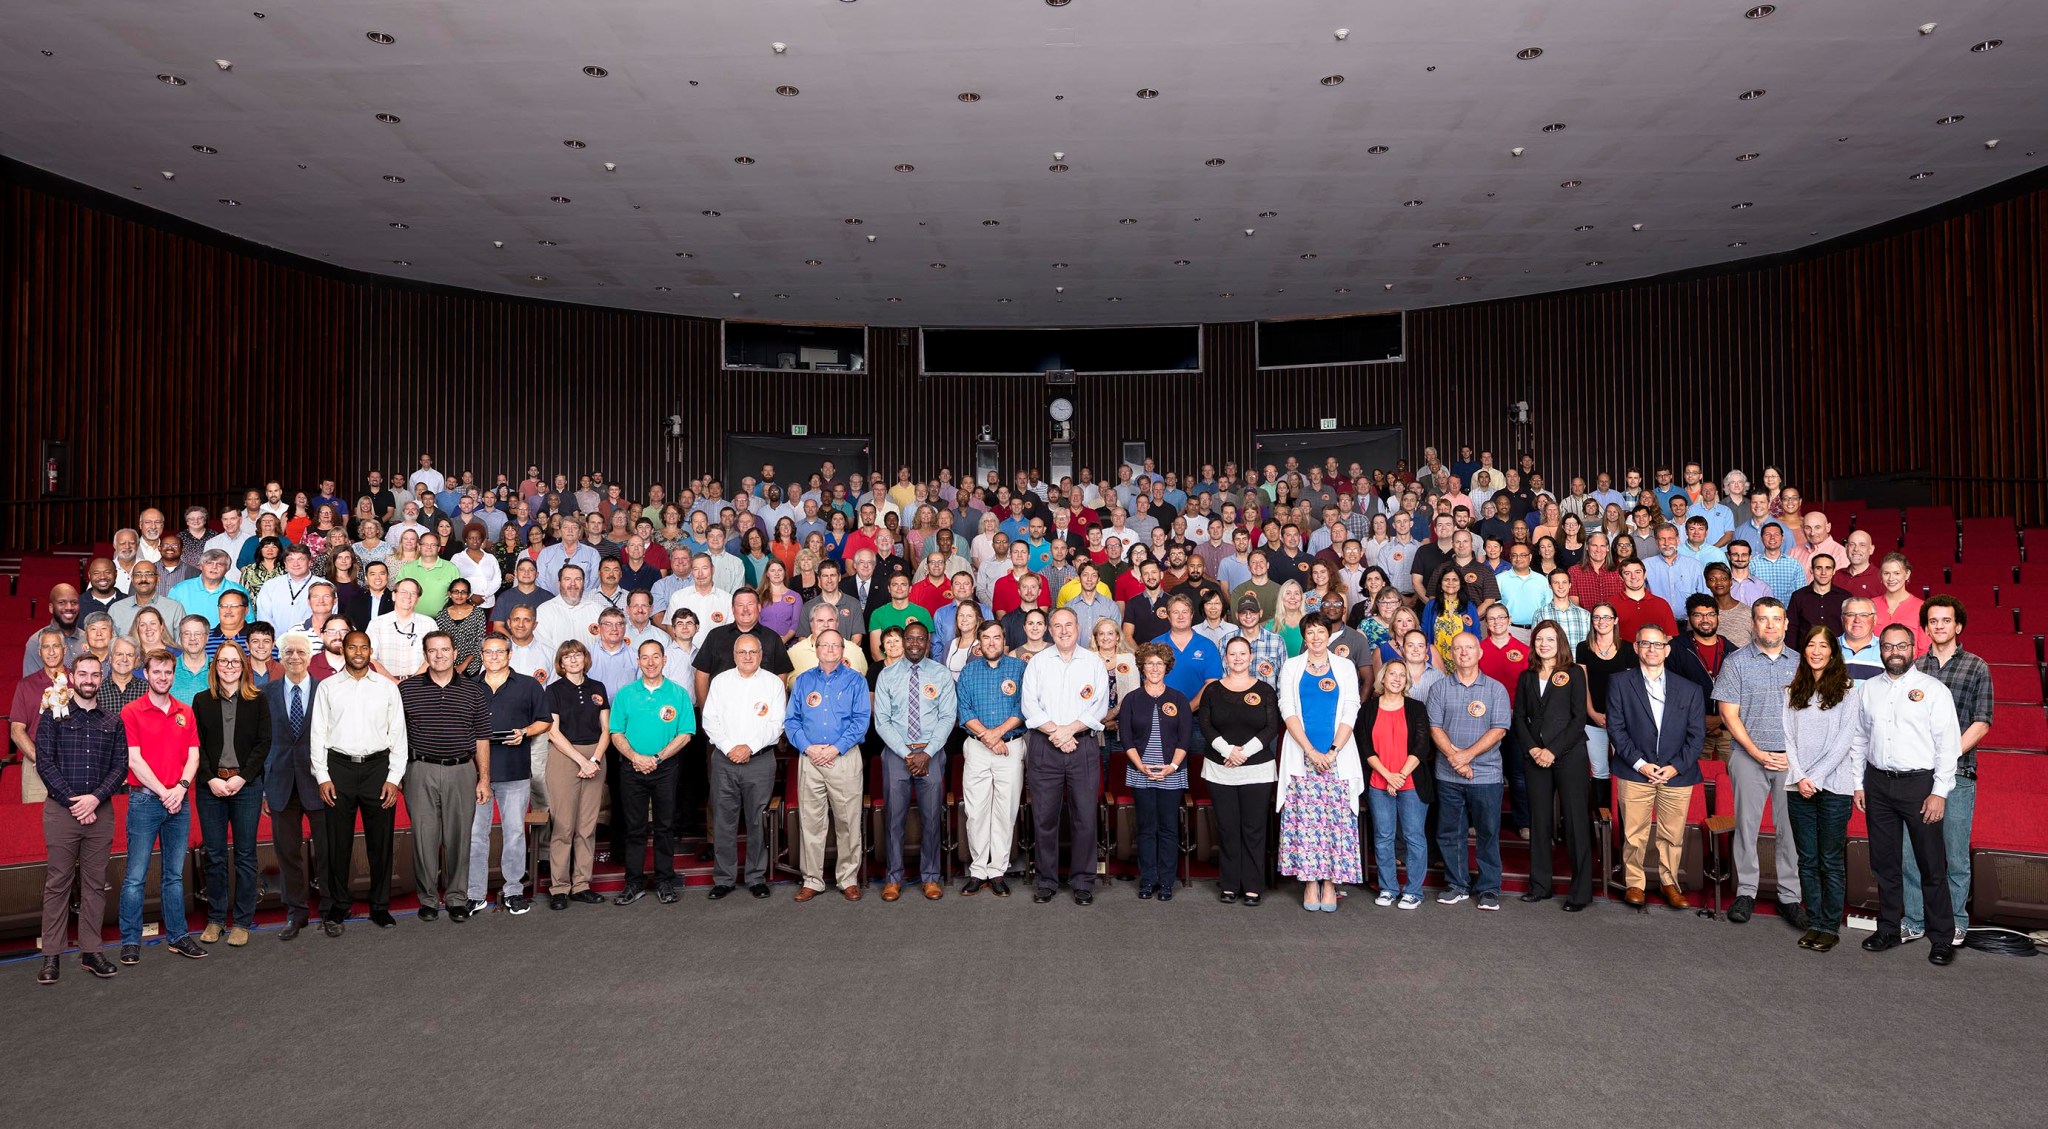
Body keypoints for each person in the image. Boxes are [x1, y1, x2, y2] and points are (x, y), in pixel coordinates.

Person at [1854, 624, 1962, 967]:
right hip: (1878, 784)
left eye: (1901, 645)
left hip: (1919, 786)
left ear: (1914, 647)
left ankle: (1942, 936)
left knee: (1931, 864)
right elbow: (1858, 739)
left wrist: (1939, 792)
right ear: (1880, 650)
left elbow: (1949, 746)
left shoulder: (1934, 690)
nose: (1894, 652)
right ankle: (1888, 928)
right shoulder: (1868, 690)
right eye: (1887, 646)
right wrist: (1859, 783)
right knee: (1884, 863)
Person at [1903, 595, 1993, 948]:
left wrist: (1945, 753)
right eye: (1933, 621)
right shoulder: (1914, 669)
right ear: (1925, 628)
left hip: (1958, 774)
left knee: (1954, 854)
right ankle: (1913, 919)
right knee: (1912, 852)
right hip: (1915, 775)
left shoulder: (1976, 667)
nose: (1939, 626)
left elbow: (1981, 722)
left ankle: (1956, 920)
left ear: (1958, 626)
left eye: (1946, 620)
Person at [1712, 597, 1806, 927]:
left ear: (1785, 624)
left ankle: (1789, 897)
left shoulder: (1801, 663)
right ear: (1753, 624)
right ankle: (1746, 893)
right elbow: (1728, 713)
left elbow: (1809, 715)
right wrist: (1756, 752)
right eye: (1763, 619)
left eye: (1775, 619)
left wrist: (1791, 756)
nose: (1769, 625)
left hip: (1789, 761)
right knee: (1746, 827)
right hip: (1748, 756)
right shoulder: (1736, 662)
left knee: (1789, 831)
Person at [33, 653, 126, 983]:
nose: (88, 679)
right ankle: (52, 956)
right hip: (61, 812)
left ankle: (91, 951)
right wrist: (75, 803)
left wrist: (95, 799)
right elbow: (44, 763)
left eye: (94, 674)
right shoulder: (52, 716)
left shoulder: (112, 722)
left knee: (94, 885)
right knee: (57, 883)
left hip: (99, 814)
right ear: (72, 677)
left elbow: (119, 768)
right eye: (83, 673)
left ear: (101, 678)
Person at [311, 631, 408, 936]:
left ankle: (380, 906)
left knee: (380, 842)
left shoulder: (387, 688)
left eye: (363, 647)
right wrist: (323, 776)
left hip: (378, 769)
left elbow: (399, 735)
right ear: (344, 649)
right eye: (352, 646)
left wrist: (394, 779)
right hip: (338, 769)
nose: (357, 652)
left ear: (370, 650)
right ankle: (340, 903)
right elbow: (318, 734)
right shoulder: (327, 687)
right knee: (337, 842)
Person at [117, 649, 208, 963]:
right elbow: (133, 759)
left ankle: (179, 936)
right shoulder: (132, 712)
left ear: (174, 674)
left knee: (174, 875)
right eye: (157, 672)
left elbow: (194, 756)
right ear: (146, 674)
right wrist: (164, 791)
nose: (163, 677)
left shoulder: (185, 711)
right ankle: (130, 941)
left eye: (168, 672)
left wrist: (180, 789)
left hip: (178, 802)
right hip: (145, 800)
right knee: (135, 876)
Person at [1607, 624, 1706, 908]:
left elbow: (1696, 735)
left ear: (1667, 649)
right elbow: (1616, 728)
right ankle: (1634, 883)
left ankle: (1669, 883)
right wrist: (1640, 764)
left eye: (1658, 644)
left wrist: (1675, 767)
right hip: (1635, 772)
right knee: (1634, 834)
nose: (1652, 649)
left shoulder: (1689, 689)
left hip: (1677, 774)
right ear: (1636, 648)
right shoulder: (1620, 683)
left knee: (1672, 835)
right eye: (1646, 644)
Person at [1781, 627, 1868, 952]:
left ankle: (1829, 926)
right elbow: (1788, 739)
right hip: (1797, 786)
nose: (1816, 651)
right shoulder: (1792, 691)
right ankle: (1813, 921)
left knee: (1830, 859)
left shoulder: (1847, 691)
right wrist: (1801, 776)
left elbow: (1844, 741)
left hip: (1834, 786)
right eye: (1811, 645)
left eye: (1823, 646)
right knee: (1807, 859)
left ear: (1833, 651)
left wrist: (1813, 777)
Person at [1021, 608, 1111, 905]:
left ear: (1078, 628)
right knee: (1044, 816)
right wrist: (1056, 733)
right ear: (1049, 630)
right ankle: (1046, 880)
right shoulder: (1037, 662)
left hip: (1082, 746)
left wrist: (1069, 731)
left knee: (1084, 816)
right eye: (1057, 626)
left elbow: (1100, 706)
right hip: (1045, 746)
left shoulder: (1093, 662)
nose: (1063, 630)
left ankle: (1083, 880)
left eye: (1068, 625)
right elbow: (1029, 706)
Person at [399, 632, 492, 922]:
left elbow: (482, 738)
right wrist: (399, 774)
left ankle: (456, 899)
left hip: (462, 771)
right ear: (425, 655)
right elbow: (396, 735)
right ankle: (427, 900)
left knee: (459, 837)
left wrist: (484, 778)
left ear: (454, 653)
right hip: (420, 770)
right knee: (424, 838)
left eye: (444, 650)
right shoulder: (407, 690)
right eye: (432, 651)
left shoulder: (474, 691)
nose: (439, 655)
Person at [1276, 619, 1362, 911]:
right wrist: (1311, 750)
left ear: (1329, 635)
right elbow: (1286, 708)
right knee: (1307, 822)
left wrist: (1334, 750)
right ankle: (1310, 882)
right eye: (1309, 632)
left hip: (1338, 758)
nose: (1315, 637)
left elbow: (1352, 707)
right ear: (1304, 636)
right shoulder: (1291, 666)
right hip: (1302, 757)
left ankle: (1330, 883)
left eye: (1321, 632)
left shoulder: (1345, 666)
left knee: (1334, 823)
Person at [191, 642, 271, 947]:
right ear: (215, 666)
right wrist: (210, 778)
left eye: (234, 661)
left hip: (246, 787)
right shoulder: (201, 701)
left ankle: (241, 920)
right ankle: (215, 919)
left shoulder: (258, 700)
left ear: (243, 665)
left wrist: (242, 778)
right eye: (223, 662)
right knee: (213, 855)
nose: (229, 666)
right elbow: (195, 746)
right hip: (210, 787)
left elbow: (264, 744)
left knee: (246, 854)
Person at [784, 630, 872, 901]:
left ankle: (848, 879)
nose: (831, 649)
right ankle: (813, 879)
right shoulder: (803, 681)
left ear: (843, 650)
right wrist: (808, 748)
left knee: (848, 821)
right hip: (810, 758)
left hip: (843, 758)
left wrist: (835, 748)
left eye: (836, 645)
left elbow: (861, 721)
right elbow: (792, 721)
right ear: (817, 648)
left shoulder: (856, 681)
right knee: (811, 822)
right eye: (825, 645)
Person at [608, 639, 697, 906]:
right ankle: (633, 883)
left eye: (655, 657)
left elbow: (686, 734)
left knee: (664, 827)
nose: (650, 662)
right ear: (638, 661)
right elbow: (616, 733)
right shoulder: (626, 694)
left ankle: (664, 881)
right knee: (634, 828)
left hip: (666, 768)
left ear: (664, 659)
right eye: (644, 657)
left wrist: (656, 758)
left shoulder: (678, 694)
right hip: (631, 768)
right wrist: (636, 757)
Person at [1426, 632, 1510, 911]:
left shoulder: (1495, 689)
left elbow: (1499, 729)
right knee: (1450, 832)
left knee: (1487, 832)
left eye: (1469, 648)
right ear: (1450, 653)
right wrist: (1456, 758)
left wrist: (1467, 757)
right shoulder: (1439, 688)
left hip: (1485, 775)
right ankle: (1457, 885)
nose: (1464, 653)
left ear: (1480, 652)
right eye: (1458, 648)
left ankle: (1488, 889)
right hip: (1448, 774)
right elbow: (1434, 728)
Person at [699, 635, 787, 900]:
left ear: (761, 655)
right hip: (724, 760)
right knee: (724, 820)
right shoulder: (720, 682)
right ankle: (724, 878)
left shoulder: (772, 683)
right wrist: (730, 748)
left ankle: (755, 876)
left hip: (759, 760)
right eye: (742, 652)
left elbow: (776, 723)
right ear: (734, 654)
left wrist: (748, 747)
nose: (747, 657)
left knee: (757, 820)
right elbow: (710, 719)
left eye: (753, 652)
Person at [1512, 620, 1593, 909]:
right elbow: (1519, 717)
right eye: (1539, 640)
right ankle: (1540, 885)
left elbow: (1578, 718)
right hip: (1535, 756)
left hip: (1569, 755)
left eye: (1550, 639)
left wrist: (1553, 751)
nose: (1544, 644)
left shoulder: (1573, 673)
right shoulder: (1527, 676)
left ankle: (1581, 892)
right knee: (1539, 821)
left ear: (1560, 642)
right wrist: (1534, 748)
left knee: (1574, 822)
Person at [874, 620, 956, 900]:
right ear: (903, 640)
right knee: (894, 818)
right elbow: (882, 721)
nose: (914, 644)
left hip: (931, 753)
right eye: (910, 638)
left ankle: (930, 877)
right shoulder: (887, 675)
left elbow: (947, 717)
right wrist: (908, 754)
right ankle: (893, 877)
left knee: (932, 817)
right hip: (898, 754)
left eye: (921, 639)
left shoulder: (941, 674)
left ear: (928, 642)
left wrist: (927, 753)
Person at [1198, 636, 1283, 907]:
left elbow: (1271, 727)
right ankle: (1230, 883)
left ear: (1250, 657)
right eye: (1232, 654)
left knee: (1253, 828)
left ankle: (1252, 885)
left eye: (1242, 653)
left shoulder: (1265, 690)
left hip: (1256, 770)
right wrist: (1228, 751)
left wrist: (1243, 752)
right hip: (1220, 768)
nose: (1237, 658)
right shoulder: (1212, 691)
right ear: (1225, 658)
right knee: (1227, 828)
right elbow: (1206, 725)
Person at [470, 635, 551, 915]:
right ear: (481, 654)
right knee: (476, 834)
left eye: (499, 652)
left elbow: (545, 720)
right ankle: (475, 893)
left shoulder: (528, 685)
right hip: (477, 773)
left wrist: (524, 733)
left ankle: (514, 890)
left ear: (509, 654)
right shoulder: (470, 686)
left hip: (515, 769)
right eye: (488, 651)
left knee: (515, 832)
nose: (493, 656)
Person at [955, 621, 1029, 896]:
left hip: (1010, 748)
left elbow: (1023, 706)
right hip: (977, 748)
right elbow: (964, 710)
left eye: (996, 637)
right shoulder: (969, 671)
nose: (991, 642)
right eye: (986, 638)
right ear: (979, 641)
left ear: (1004, 640)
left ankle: (997, 870)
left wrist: (997, 735)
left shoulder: (1019, 669)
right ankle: (977, 870)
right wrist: (988, 737)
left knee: (1005, 811)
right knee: (976, 812)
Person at [262, 631, 327, 940]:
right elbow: (260, 744)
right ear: (281, 656)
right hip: (280, 783)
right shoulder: (265, 693)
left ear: (310, 657)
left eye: (300, 652)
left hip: (319, 783)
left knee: (327, 851)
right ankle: (296, 913)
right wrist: (263, 787)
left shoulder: (327, 691)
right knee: (288, 853)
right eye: (288, 652)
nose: (295, 657)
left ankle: (330, 910)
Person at [1119, 642, 1193, 900]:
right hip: (1140, 772)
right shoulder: (1131, 699)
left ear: (1167, 667)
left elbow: (1185, 739)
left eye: (1159, 664)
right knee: (1146, 827)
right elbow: (1126, 738)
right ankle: (1148, 880)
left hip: (1171, 772)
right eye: (1149, 663)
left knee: (1169, 828)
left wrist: (1171, 767)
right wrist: (1141, 767)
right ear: (1142, 667)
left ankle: (1167, 881)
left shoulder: (1178, 699)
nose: (1154, 668)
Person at [543, 641, 610, 910]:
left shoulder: (598, 688)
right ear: (560, 662)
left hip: (595, 757)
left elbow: (606, 729)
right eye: (567, 656)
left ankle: (581, 884)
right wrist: (581, 760)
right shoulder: (553, 690)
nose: (573, 659)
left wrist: (594, 759)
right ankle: (559, 887)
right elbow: (553, 732)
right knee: (563, 826)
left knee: (587, 825)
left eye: (578, 654)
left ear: (585, 658)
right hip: (564, 756)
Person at [1362, 660, 1433, 910]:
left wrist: (1400, 775)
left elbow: (1422, 746)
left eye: (1402, 675)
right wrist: (1387, 775)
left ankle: (1413, 891)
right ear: (1383, 678)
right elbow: (1365, 747)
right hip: (1379, 782)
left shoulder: (1416, 708)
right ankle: (1389, 888)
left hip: (1411, 781)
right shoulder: (1369, 709)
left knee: (1414, 837)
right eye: (1392, 673)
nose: (1397, 678)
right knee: (1383, 837)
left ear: (1407, 681)